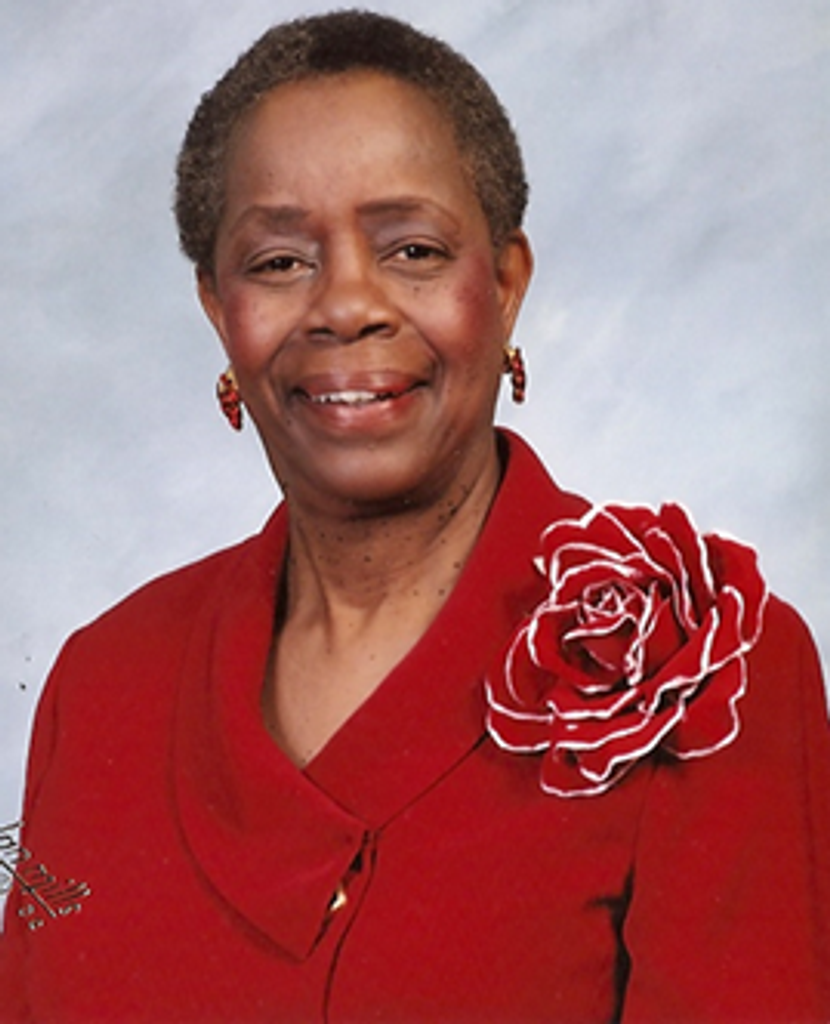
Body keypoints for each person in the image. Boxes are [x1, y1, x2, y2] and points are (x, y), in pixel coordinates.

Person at [1, 10, 828, 1022]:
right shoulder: (100, 685)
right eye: (278, 262)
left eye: (414, 250)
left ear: (506, 285)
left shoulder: (707, 663)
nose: (347, 304)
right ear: (219, 309)